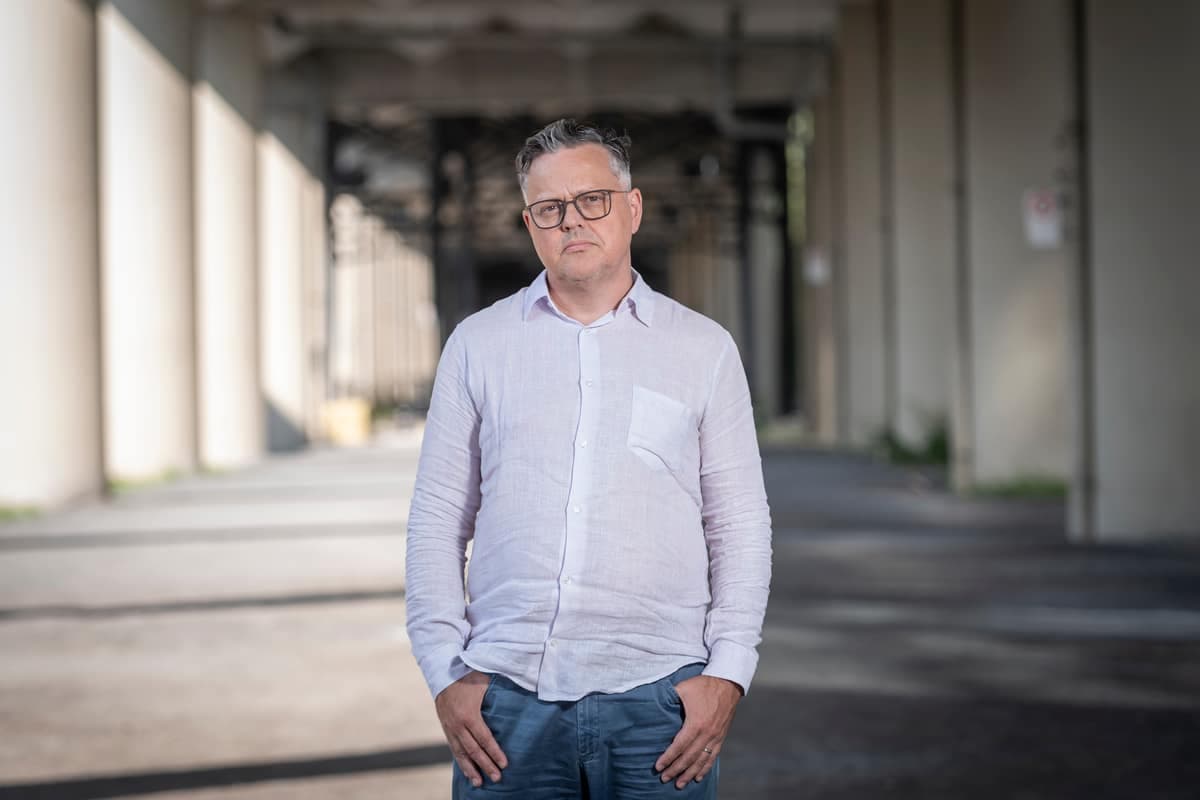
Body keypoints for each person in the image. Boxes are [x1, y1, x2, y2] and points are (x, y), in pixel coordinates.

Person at [405, 118, 772, 799]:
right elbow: (437, 519)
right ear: (530, 225)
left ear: (632, 208)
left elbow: (739, 524)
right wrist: (444, 672)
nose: (571, 219)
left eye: (592, 200)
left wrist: (727, 672)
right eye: (549, 208)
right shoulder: (478, 345)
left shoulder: (703, 349)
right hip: (504, 704)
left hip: (662, 702)